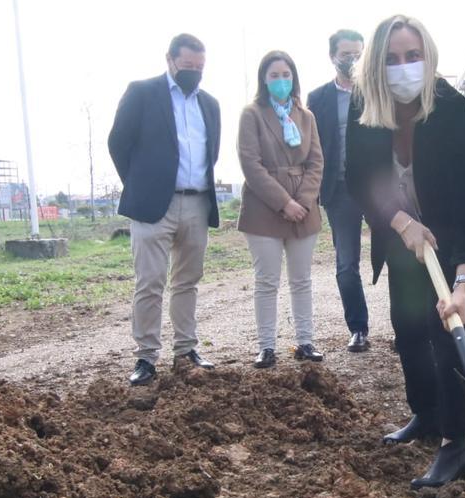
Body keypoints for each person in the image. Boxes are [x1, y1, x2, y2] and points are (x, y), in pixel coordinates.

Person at [346, 15, 465, 488]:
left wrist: (464, 279)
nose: (403, 67)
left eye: (412, 57)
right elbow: (359, 177)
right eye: (391, 59)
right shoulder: (365, 104)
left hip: (447, 229)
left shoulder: (450, 106)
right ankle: (425, 414)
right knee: (407, 328)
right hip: (399, 230)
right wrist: (401, 224)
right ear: (375, 65)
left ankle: (456, 443)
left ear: (427, 57)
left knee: (445, 327)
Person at [109, 33, 221, 386]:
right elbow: (118, 142)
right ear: (170, 60)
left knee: (188, 281)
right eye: (188, 65)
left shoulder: (211, 104)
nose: (194, 72)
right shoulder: (142, 93)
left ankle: (186, 351)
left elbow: (211, 153)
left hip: (197, 202)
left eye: (200, 67)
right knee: (150, 282)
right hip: (153, 205)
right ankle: (146, 357)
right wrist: (141, 183)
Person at [236, 51, 325, 368]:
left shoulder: (307, 117)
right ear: (264, 79)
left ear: (294, 78)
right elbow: (251, 163)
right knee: (267, 281)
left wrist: (301, 201)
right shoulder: (252, 114)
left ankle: (305, 341)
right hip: (264, 210)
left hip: (304, 208)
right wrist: (283, 202)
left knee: (301, 280)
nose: (281, 80)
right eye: (274, 75)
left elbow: (316, 162)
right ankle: (267, 347)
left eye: (286, 74)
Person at [308, 29, 371, 354]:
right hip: (339, 190)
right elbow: (311, 147)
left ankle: (408, 327)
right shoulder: (317, 99)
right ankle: (358, 328)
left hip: (378, 188)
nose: (352, 60)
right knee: (346, 265)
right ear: (333, 56)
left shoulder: (376, 92)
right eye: (346, 54)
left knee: (400, 259)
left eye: (358, 53)